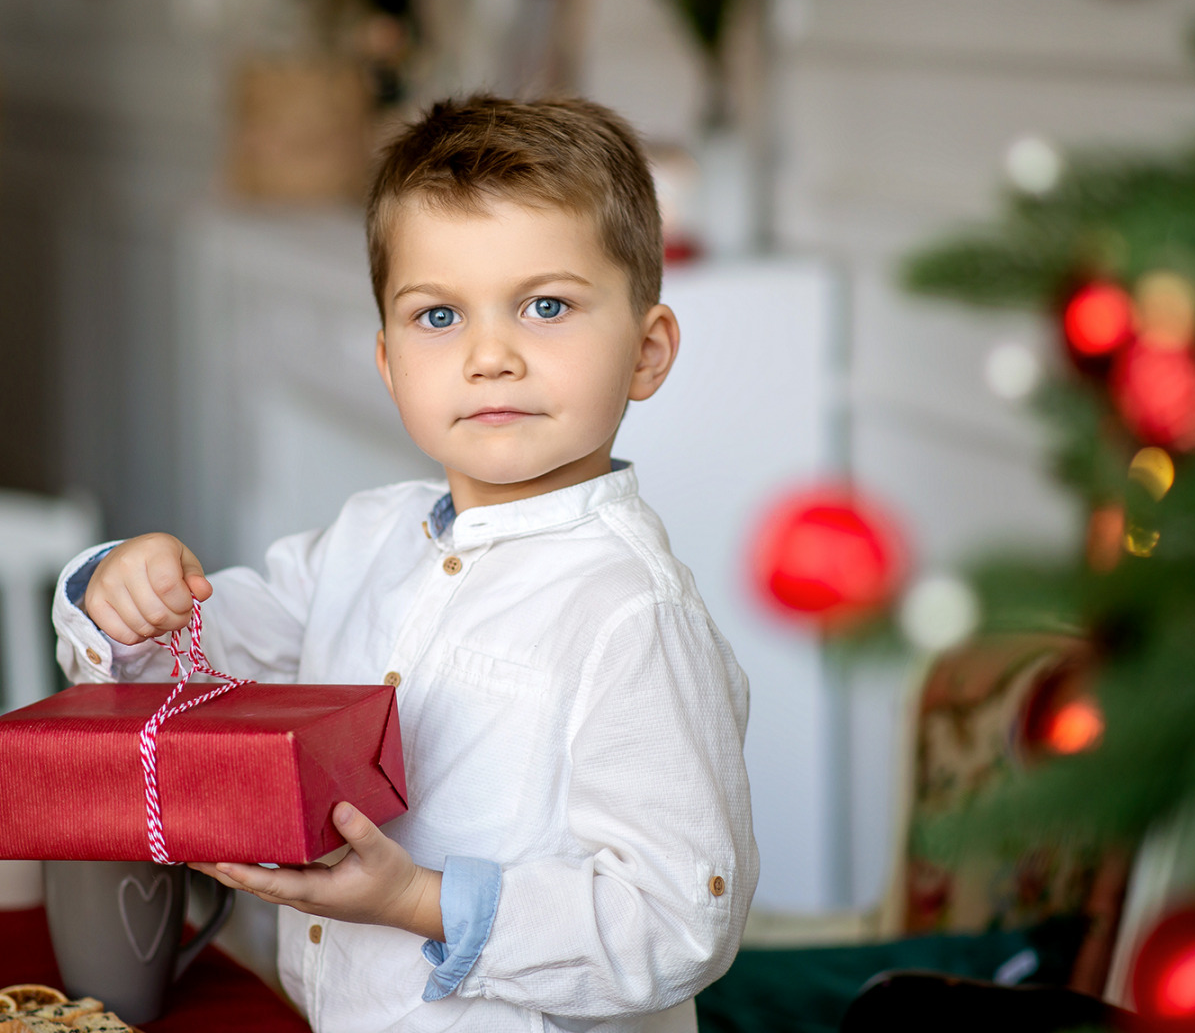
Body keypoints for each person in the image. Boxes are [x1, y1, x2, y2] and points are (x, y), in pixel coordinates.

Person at [51, 95, 758, 1033]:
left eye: (547, 306)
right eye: (439, 316)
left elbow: (678, 922)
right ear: (389, 364)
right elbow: (200, 666)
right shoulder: (364, 537)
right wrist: (128, 592)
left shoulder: (632, 613)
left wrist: (418, 901)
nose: (490, 355)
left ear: (647, 351)